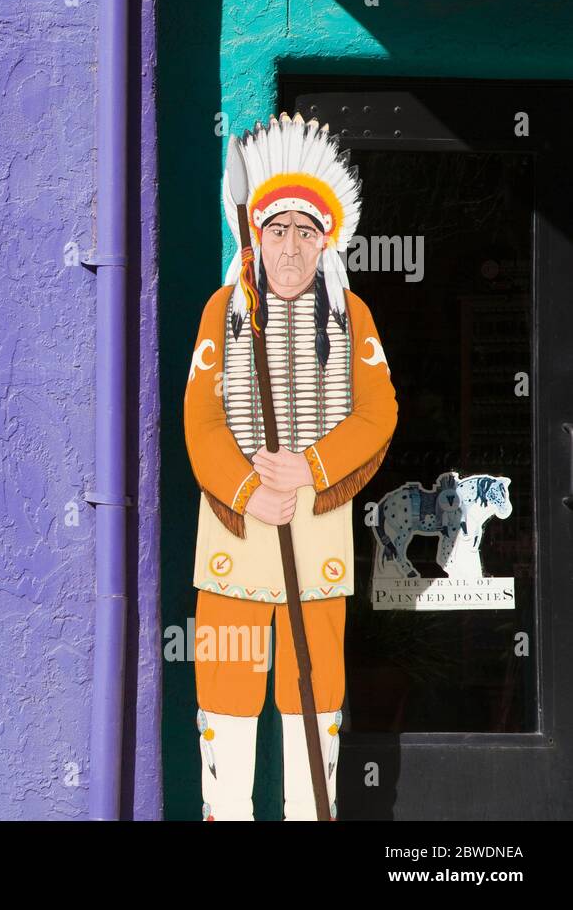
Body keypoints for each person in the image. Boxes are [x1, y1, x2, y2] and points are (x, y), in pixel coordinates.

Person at [184, 112, 398, 820]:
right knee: (228, 687)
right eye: (276, 229)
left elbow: (377, 412)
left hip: (317, 535)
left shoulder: (352, 318)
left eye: (307, 233)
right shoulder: (224, 312)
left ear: (326, 242)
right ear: (255, 234)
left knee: (313, 689)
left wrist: (306, 469)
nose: (290, 247)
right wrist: (248, 490)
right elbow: (202, 417)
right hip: (237, 539)